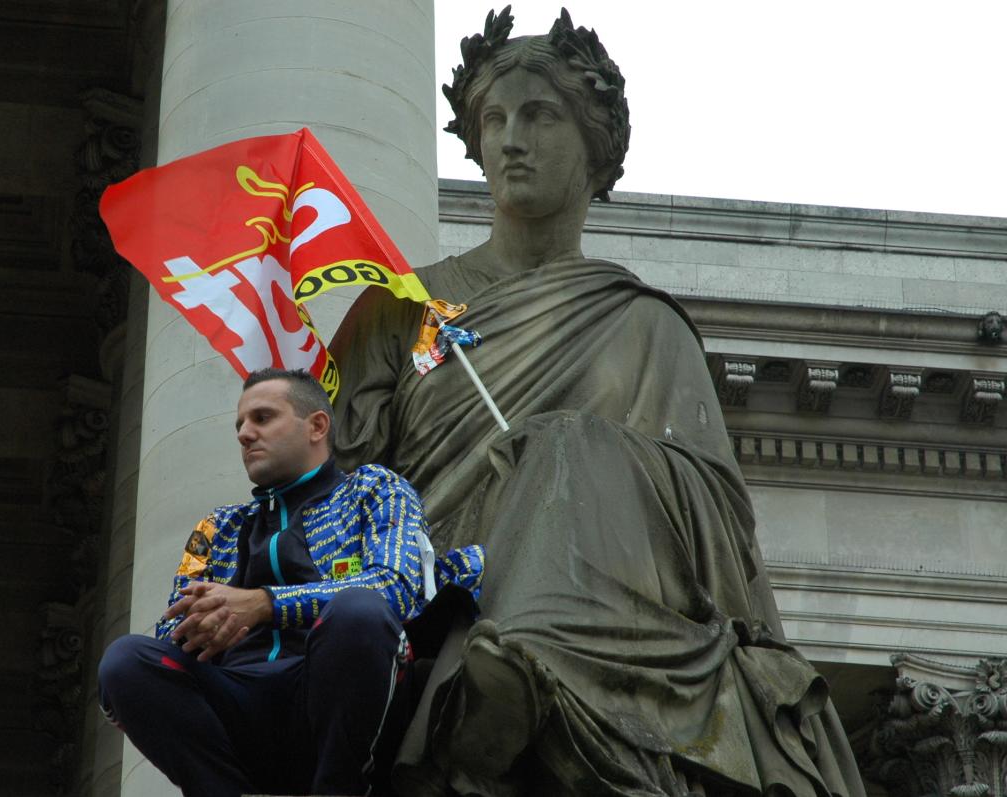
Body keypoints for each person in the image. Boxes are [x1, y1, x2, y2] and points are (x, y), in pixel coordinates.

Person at [328, 8, 867, 797]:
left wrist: (562, 466)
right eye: (494, 119)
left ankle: (521, 671)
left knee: (568, 445)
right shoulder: (398, 307)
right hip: (432, 588)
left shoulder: (643, 323)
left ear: (596, 148)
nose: (511, 139)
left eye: (540, 116)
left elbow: (717, 518)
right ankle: (503, 677)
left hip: (605, 602)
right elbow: (332, 483)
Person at [97, 368, 483, 797]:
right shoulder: (217, 529)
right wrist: (186, 642)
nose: (244, 434)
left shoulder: (373, 488)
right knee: (125, 660)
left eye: (262, 418)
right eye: (240, 424)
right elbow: (171, 640)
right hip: (237, 706)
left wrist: (265, 603)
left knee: (358, 611)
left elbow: (394, 588)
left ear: (317, 425)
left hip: (342, 705)